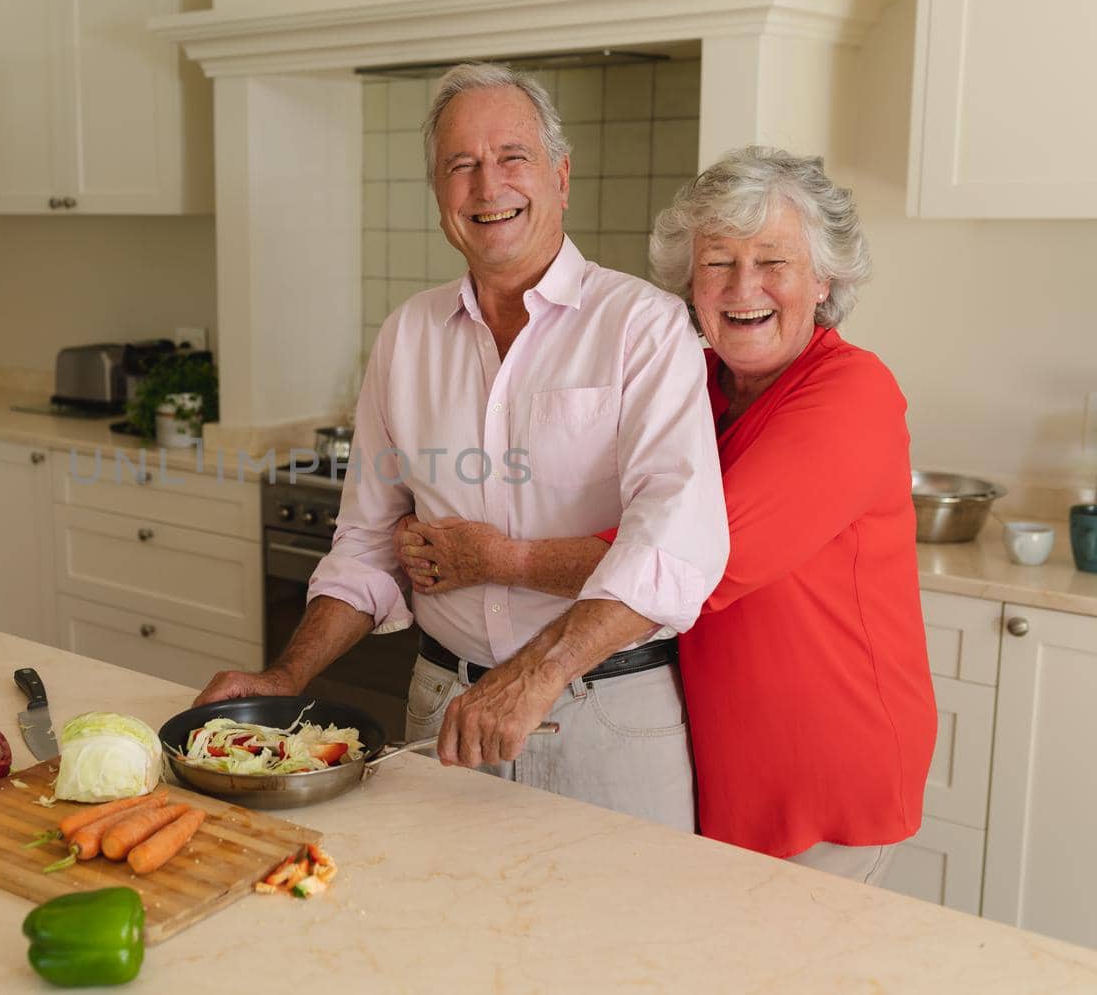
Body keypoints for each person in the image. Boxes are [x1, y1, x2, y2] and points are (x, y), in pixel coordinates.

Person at [196, 62, 729, 832]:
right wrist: (283, 675)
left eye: (512, 157)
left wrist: (536, 675)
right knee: (437, 944)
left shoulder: (643, 327)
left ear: (560, 176)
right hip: (441, 710)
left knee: (617, 948)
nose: (488, 186)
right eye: (461, 165)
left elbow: (673, 546)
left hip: (605, 713)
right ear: (440, 194)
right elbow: (366, 545)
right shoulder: (407, 335)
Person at [395, 146, 936, 883]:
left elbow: (692, 559)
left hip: (822, 767)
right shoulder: (700, 382)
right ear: (689, 278)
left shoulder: (851, 394)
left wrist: (498, 559)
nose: (744, 286)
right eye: (718, 262)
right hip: (720, 757)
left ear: (824, 278)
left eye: (772, 261)